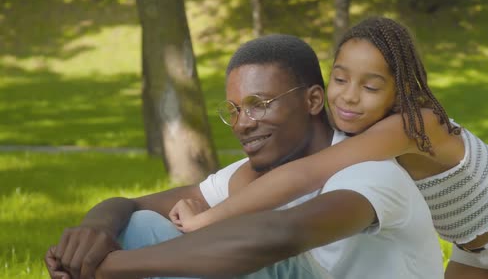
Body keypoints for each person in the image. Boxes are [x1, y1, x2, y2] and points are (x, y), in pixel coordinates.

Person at [172, 17, 488, 279]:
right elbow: (286, 173)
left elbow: (306, 173)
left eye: (370, 86)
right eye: (341, 79)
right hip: (472, 244)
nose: (348, 98)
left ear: (398, 90)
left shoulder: (411, 126)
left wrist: (207, 220)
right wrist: (216, 199)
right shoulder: (357, 134)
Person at [45, 34, 444, 279]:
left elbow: (276, 238)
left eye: (259, 104)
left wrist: (111, 267)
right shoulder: (254, 176)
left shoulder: (370, 173)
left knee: (220, 247)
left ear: (313, 99)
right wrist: (92, 236)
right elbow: (129, 205)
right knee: (141, 225)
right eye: (234, 109)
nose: (242, 123)